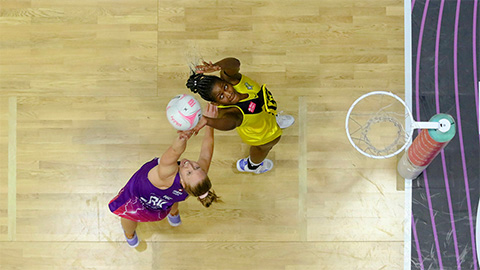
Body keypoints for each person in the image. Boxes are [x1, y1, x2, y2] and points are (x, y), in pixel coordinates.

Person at [108, 104, 220, 248]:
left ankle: (130, 235)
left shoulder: (165, 173)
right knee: (173, 199)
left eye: (189, 172)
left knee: (127, 217)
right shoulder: (195, 183)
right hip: (163, 205)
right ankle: (173, 215)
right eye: (196, 166)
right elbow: (207, 149)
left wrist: (182, 137)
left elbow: (174, 151)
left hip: (136, 200)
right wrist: (210, 124)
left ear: (184, 183)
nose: (189, 164)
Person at [186, 57, 294, 174]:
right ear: (216, 103)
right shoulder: (232, 112)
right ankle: (253, 165)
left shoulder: (233, 80)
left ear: (225, 81)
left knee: (265, 114)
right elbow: (230, 123)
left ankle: (274, 119)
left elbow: (235, 63)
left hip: (266, 115)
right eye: (221, 96)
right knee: (263, 149)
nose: (228, 94)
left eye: (225, 87)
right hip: (263, 136)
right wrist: (207, 121)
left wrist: (217, 66)